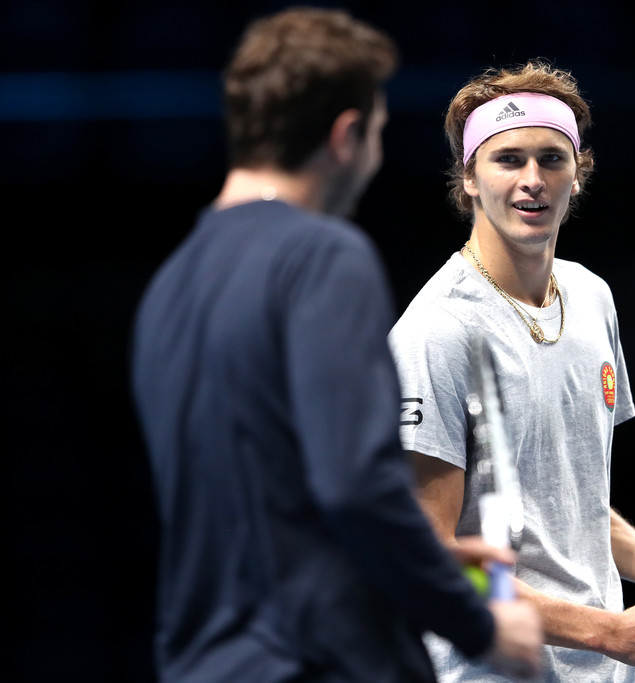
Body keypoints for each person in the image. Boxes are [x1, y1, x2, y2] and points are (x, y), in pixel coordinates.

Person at [129, 8, 542, 682]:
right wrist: (480, 624)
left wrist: (430, 563)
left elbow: (263, 508)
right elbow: (355, 486)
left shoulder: (167, 287)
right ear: (346, 135)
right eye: (377, 134)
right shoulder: (323, 256)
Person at [388, 60, 635, 681]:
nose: (532, 180)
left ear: (578, 173)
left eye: (551, 158)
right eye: (508, 159)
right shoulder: (437, 331)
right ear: (469, 177)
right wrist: (608, 631)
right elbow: (430, 556)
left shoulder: (591, 297)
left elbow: (575, 512)